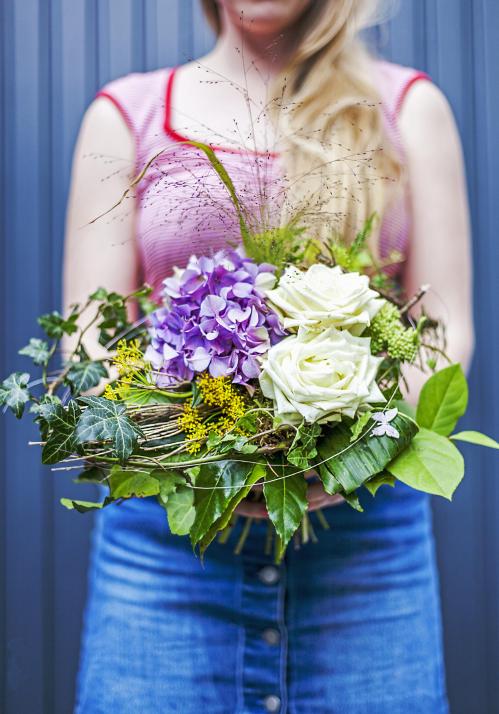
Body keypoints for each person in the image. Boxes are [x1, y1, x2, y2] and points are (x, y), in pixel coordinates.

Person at [64, 1, 474, 712]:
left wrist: (348, 454)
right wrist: (191, 453)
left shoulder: (408, 110)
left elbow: (442, 329)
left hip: (364, 547)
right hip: (164, 544)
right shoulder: (123, 115)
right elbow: (90, 336)